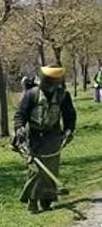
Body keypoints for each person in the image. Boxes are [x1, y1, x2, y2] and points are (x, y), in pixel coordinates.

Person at [12, 65, 77, 213]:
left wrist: (69, 130)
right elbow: (20, 115)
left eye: (53, 81)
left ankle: (47, 200)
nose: (50, 85)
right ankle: (32, 200)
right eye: (47, 81)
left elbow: (70, 116)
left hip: (53, 137)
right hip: (34, 136)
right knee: (35, 171)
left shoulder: (63, 96)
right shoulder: (31, 94)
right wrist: (19, 128)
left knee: (51, 170)